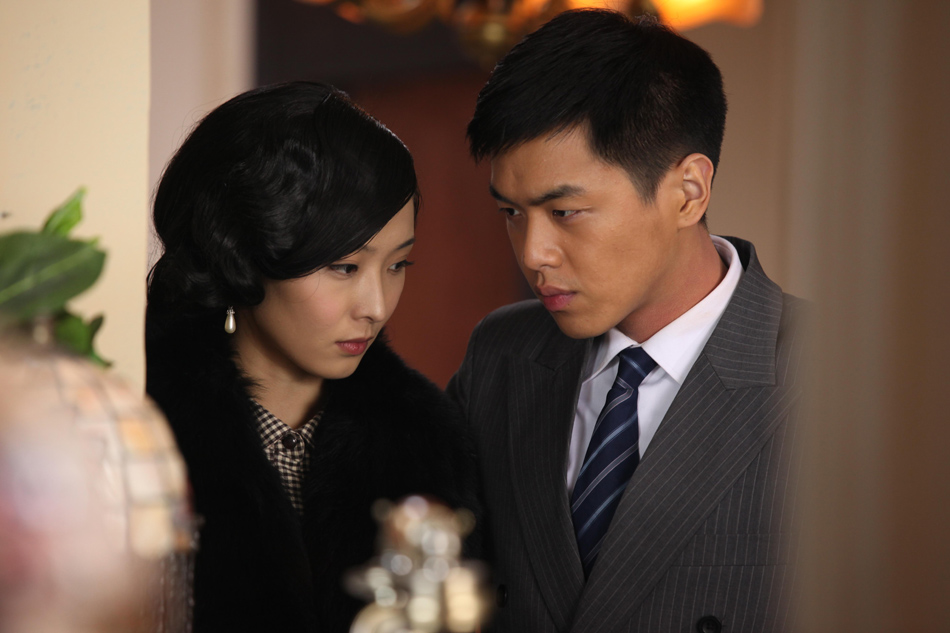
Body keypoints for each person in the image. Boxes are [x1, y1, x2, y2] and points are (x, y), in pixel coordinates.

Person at [449, 10, 807, 633]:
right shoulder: (500, 355)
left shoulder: (835, 371)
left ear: (688, 192)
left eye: (565, 212)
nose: (533, 254)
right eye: (512, 213)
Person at [146, 82, 478, 632]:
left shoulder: (430, 441)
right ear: (243, 252)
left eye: (398, 265)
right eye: (344, 267)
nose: (376, 307)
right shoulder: (137, 423)